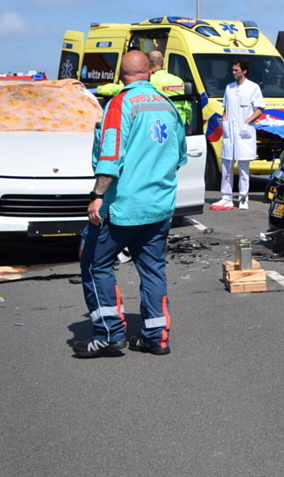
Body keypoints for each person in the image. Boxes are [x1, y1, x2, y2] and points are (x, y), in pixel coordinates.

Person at [75, 51, 187, 358]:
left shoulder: (120, 104)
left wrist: (98, 195)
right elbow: (179, 157)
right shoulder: (167, 105)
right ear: (150, 72)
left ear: (120, 75)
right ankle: (156, 337)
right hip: (159, 206)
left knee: (94, 262)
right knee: (152, 269)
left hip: (124, 208)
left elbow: (110, 155)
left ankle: (109, 334)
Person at [213, 59, 265, 210]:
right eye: (233, 70)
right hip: (230, 131)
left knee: (243, 167)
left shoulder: (253, 88)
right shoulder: (229, 88)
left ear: (244, 71)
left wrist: (246, 122)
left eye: (236, 70)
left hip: (243, 131)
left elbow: (260, 109)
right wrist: (224, 121)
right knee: (226, 165)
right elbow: (225, 108)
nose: (233, 72)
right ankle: (226, 197)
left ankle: (243, 197)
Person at [97, 51, 191, 127]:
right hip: (180, 123)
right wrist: (189, 122)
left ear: (148, 64)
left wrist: (97, 90)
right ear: (163, 63)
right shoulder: (178, 80)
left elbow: (119, 89)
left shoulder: (149, 80)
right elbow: (186, 106)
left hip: (160, 123)